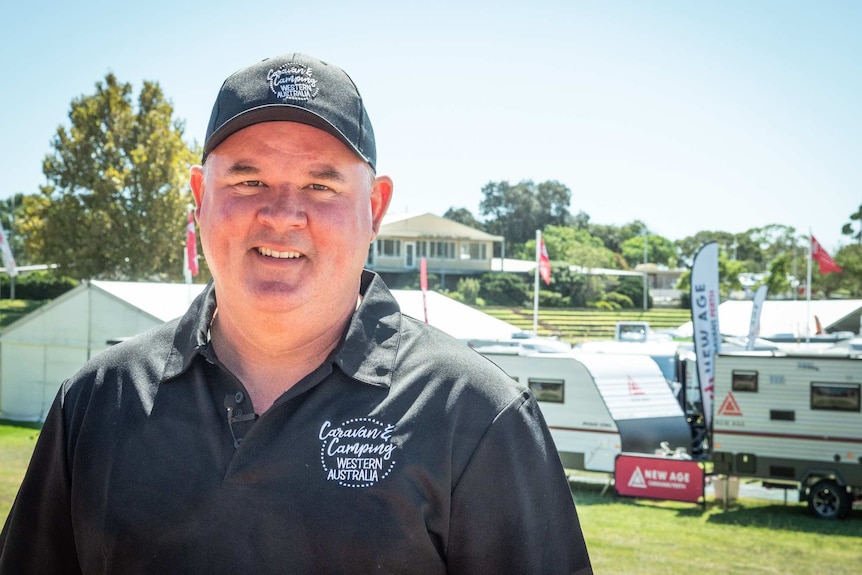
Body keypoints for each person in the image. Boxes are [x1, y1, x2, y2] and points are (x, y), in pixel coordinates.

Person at [0, 53, 592, 574]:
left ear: (375, 207)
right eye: (249, 178)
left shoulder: (477, 416)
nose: (282, 215)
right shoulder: (99, 400)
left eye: (320, 186)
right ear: (201, 195)